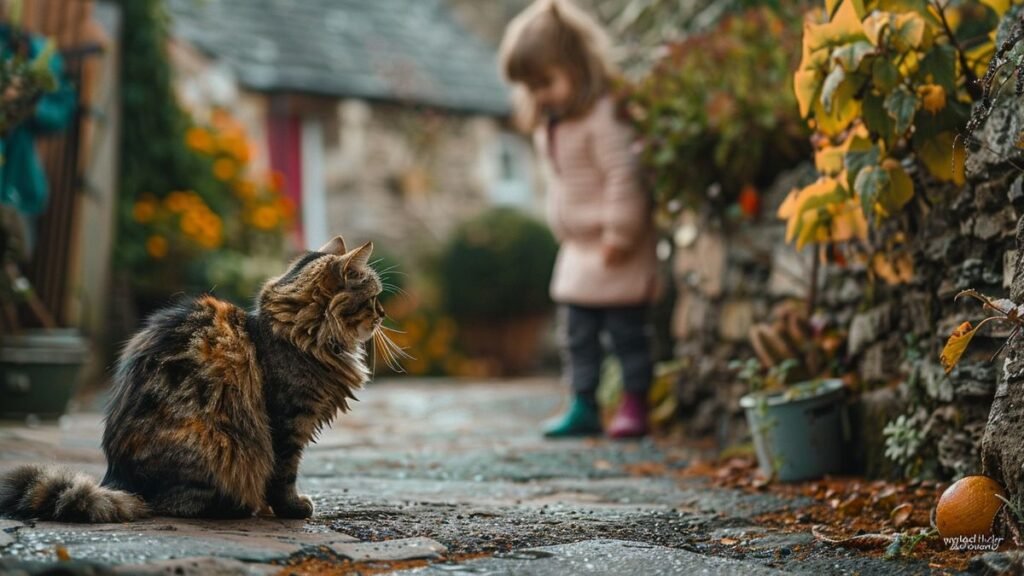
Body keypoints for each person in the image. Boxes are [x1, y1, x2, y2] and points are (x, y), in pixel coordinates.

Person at [499, 0, 658, 439]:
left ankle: (633, 403)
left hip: (614, 245)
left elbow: (624, 176)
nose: (540, 95)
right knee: (578, 336)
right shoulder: (552, 123)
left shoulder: (603, 116)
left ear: (579, 65)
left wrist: (620, 233)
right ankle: (583, 403)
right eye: (531, 87)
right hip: (578, 251)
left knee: (627, 334)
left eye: (546, 81)